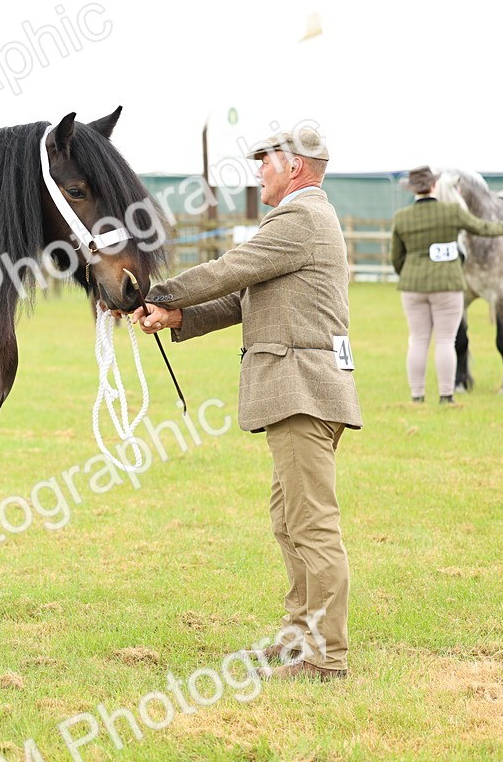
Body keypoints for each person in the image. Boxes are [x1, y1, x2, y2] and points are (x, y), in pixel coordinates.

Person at [127, 126, 361, 681]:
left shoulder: (300, 219)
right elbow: (243, 297)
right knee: (289, 522)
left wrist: (153, 293)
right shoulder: (300, 222)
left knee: (312, 526)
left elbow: (228, 270)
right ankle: (300, 638)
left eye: (267, 161)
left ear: (296, 167)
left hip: (303, 388)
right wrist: (178, 317)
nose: (259, 170)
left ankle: (325, 657)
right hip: (300, 390)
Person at [389, 166, 503, 404]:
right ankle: (447, 395)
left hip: (412, 287)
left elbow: (396, 257)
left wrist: (407, 273)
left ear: (413, 190)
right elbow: (482, 227)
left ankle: (417, 396)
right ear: (434, 185)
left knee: (417, 340)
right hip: (447, 285)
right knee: (446, 340)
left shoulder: (401, 218)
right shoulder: (452, 212)